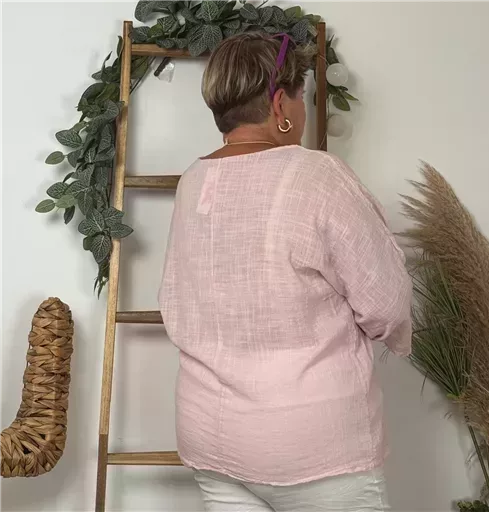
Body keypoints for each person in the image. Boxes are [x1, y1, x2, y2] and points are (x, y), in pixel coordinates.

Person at [159, 31, 412, 512]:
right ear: (280, 104)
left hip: (211, 435)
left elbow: (179, 299)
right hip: (314, 443)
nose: (302, 108)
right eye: (300, 96)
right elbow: (387, 303)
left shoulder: (193, 181)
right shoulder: (317, 175)